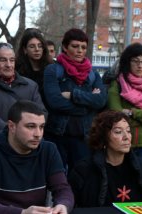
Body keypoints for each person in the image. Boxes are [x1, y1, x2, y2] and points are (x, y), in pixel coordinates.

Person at [43, 28, 107, 171]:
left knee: (80, 183)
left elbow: (101, 101)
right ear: (65, 47)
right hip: (57, 136)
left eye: (83, 47)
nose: (80, 50)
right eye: (75, 46)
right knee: (56, 181)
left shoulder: (93, 74)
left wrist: (73, 96)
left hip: (83, 138)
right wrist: (88, 105)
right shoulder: (53, 70)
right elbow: (55, 102)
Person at [68, 110, 142, 207]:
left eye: (128, 131)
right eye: (118, 132)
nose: (126, 137)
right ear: (103, 138)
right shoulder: (84, 170)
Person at [108, 43, 142, 166]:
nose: (140, 65)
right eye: (136, 61)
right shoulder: (117, 85)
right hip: (122, 143)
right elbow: (116, 116)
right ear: (128, 62)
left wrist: (132, 112)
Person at [16, 28, 50, 95]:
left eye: (40, 46)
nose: (37, 49)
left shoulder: (51, 68)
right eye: (32, 46)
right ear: (25, 49)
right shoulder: (17, 70)